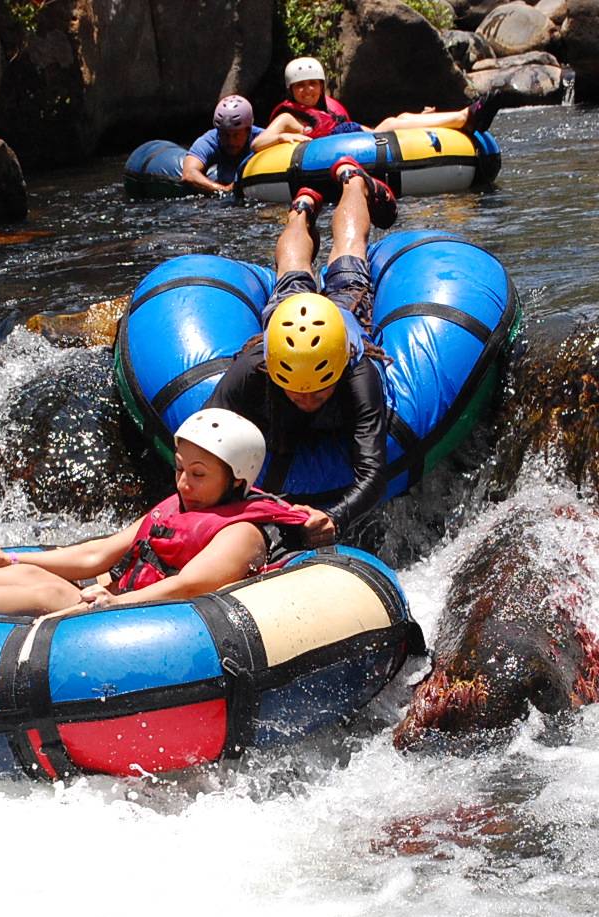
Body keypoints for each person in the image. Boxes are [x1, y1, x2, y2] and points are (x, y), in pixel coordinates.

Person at [0, 409, 310, 625]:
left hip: (165, 624)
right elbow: (98, 553)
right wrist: (9, 561)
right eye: (181, 469)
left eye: (199, 474)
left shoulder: (243, 531)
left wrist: (114, 604)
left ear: (238, 480)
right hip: (123, 602)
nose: (184, 483)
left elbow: (189, 587)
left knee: (44, 592)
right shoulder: (180, 508)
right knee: (29, 575)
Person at [204, 157, 399, 548]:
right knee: (291, 269)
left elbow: (373, 471)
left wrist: (334, 517)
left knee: (349, 253)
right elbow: (204, 436)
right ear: (275, 371)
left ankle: (353, 183)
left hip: (344, 315)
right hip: (286, 317)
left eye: (319, 391)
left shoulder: (358, 374)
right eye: (296, 391)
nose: (307, 399)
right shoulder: (255, 366)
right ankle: (303, 207)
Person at [266, 56, 503, 141]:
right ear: (291, 91)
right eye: (300, 87)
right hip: (343, 148)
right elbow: (259, 143)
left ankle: (465, 117)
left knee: (404, 117)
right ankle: (466, 116)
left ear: (321, 86)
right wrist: (285, 136)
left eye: (312, 84)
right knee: (390, 123)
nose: (307, 91)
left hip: (360, 137)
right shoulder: (288, 117)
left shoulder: (327, 112)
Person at [181, 95, 304, 195]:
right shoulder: (210, 139)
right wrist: (223, 190)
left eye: (236, 135)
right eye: (225, 135)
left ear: (248, 130)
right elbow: (189, 174)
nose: (231, 141)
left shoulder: (262, 138)